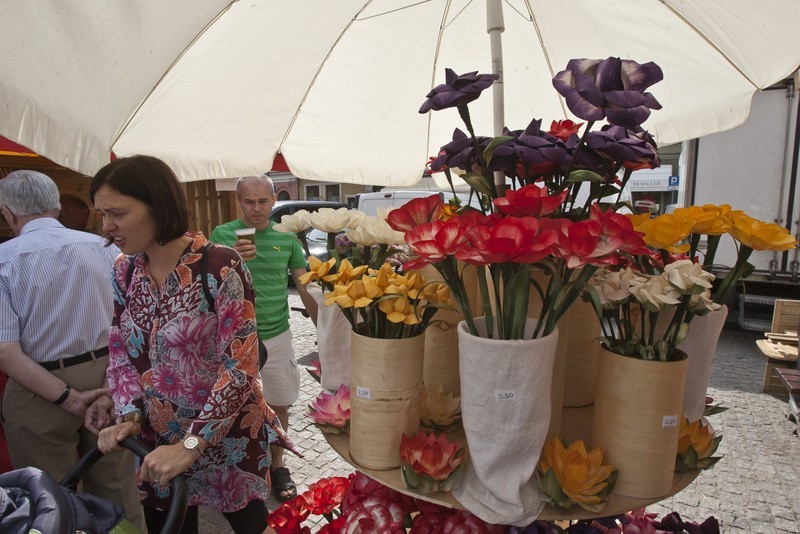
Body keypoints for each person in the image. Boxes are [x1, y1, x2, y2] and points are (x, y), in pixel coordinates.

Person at [92, 155, 295, 534]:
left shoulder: (220, 265)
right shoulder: (124, 269)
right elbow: (121, 349)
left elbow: (241, 365)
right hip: (158, 439)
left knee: (250, 525)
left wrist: (192, 444)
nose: (107, 226)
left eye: (117, 213)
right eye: (102, 214)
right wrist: (130, 415)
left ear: (158, 204)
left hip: (227, 437)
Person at [0, 170, 145, 531]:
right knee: (118, 487)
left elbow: (5, 351)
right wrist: (111, 387)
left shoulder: (4, 259)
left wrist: (68, 398)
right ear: (57, 206)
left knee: (51, 499)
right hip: (107, 374)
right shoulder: (106, 249)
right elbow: (134, 328)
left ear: (8, 212)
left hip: (37, 387)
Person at [210, 174, 318, 503]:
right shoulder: (222, 235)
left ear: (273, 201)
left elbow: (305, 285)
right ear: (239, 202)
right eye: (249, 202)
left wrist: (325, 329)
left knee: (279, 402)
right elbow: (210, 287)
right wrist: (232, 258)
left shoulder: (286, 238)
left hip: (277, 334)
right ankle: (239, 468)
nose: (256, 209)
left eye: (263, 201)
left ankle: (277, 466)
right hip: (232, 340)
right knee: (232, 406)